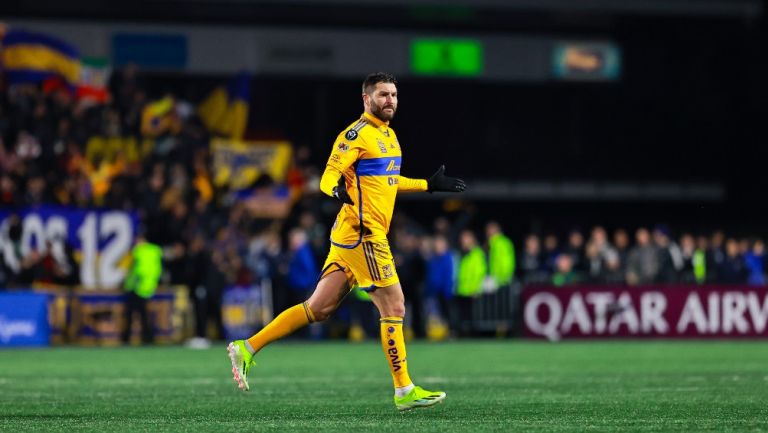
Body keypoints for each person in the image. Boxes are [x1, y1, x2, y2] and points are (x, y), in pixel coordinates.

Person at [226, 72, 465, 411]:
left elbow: (389, 182)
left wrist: (428, 184)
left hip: (350, 236)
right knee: (394, 307)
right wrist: (336, 189)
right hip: (364, 235)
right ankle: (404, 389)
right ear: (367, 99)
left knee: (318, 308)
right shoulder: (356, 134)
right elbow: (327, 175)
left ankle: (247, 347)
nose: (390, 100)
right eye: (383, 94)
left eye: (394, 94)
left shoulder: (390, 137)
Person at [122, 233, 163, 344]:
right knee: (144, 315)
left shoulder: (139, 251)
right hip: (147, 288)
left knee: (132, 314)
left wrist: (128, 283)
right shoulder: (155, 251)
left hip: (137, 287)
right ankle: (148, 339)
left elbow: (135, 270)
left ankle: (127, 339)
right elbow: (156, 271)